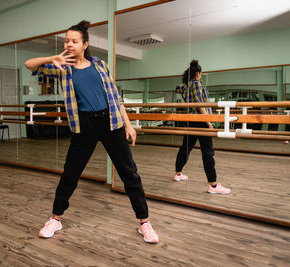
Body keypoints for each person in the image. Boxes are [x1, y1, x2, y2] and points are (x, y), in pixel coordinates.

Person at [24, 20, 158, 243]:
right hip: (84, 125)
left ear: (84, 44)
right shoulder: (61, 67)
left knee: (129, 173)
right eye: (66, 40)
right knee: (70, 173)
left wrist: (128, 124)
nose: (69, 44)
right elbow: (29, 64)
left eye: (74, 41)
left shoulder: (100, 65)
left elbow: (115, 97)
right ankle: (55, 219)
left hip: (110, 122)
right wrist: (51, 59)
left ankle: (144, 222)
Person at [174, 60, 231, 194]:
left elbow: (178, 87)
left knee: (186, 148)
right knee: (208, 152)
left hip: (190, 120)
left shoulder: (186, 86)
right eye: (200, 74)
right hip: (201, 120)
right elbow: (200, 104)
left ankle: (178, 173)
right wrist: (208, 121)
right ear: (198, 74)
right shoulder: (196, 84)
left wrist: (186, 81)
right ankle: (213, 185)